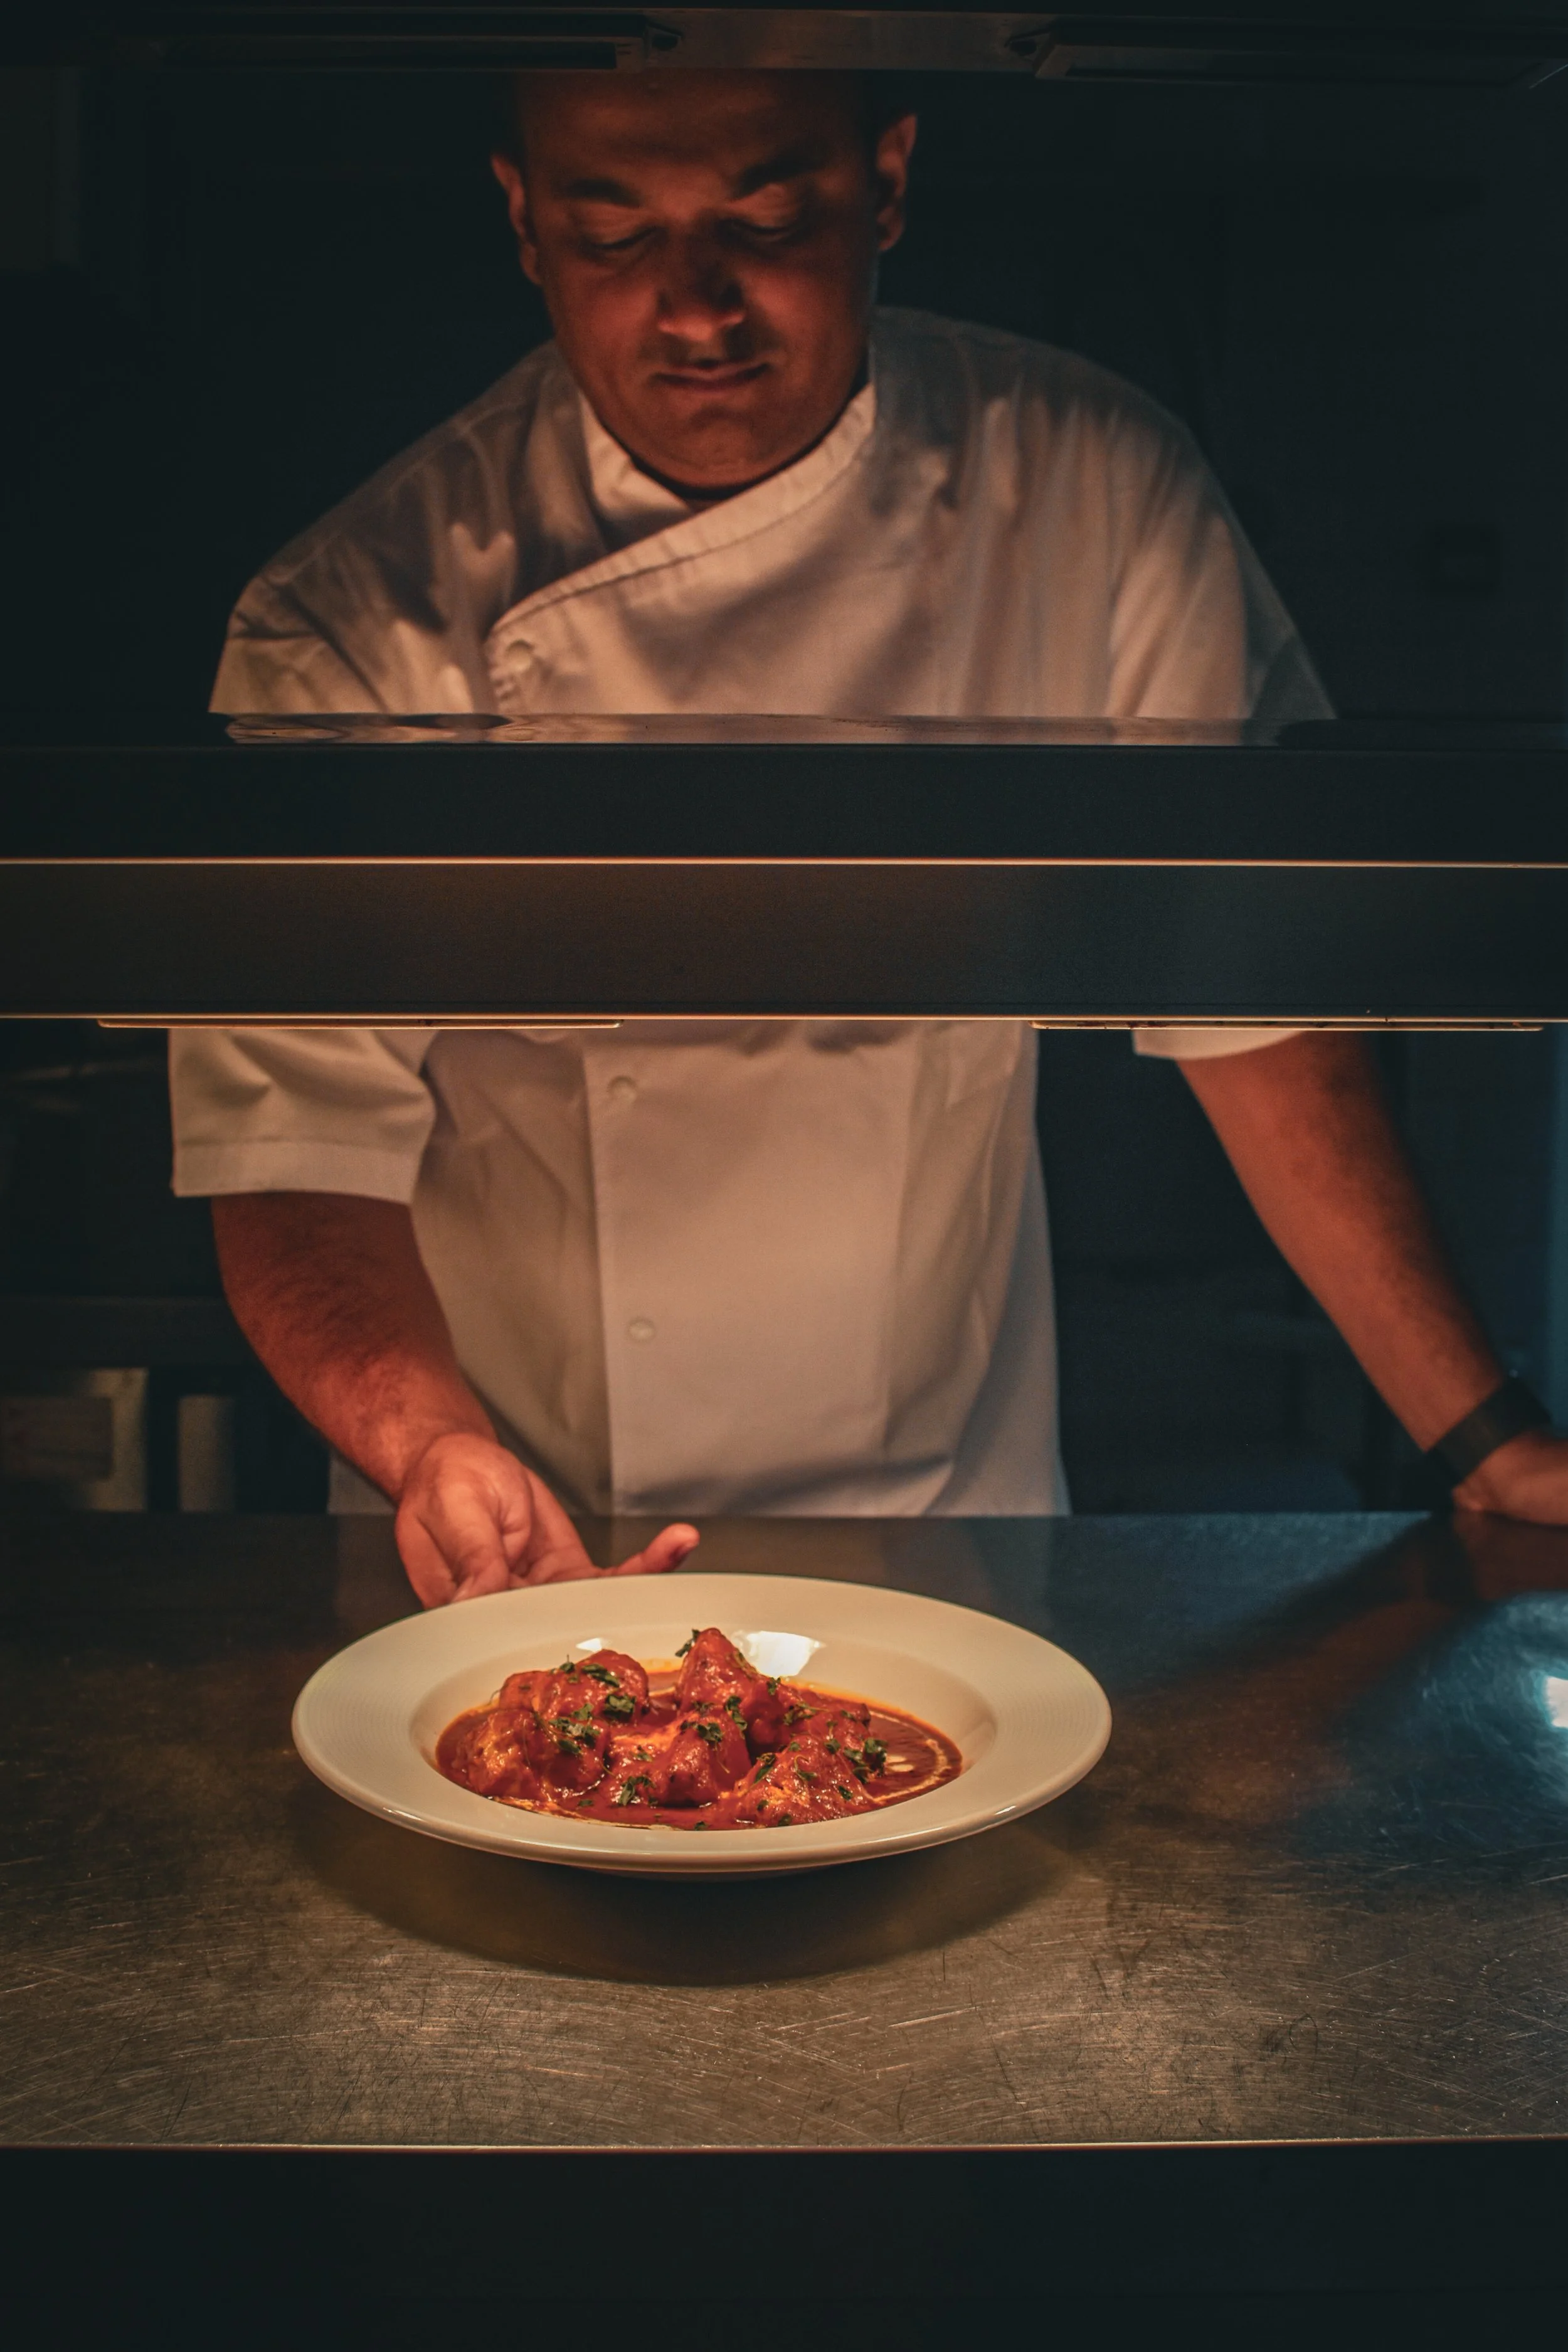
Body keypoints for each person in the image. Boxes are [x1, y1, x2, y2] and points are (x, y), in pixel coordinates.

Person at [170, 68, 1568, 1608]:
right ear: (521, 220)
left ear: (885, 182)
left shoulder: (1087, 492)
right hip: (526, 1537)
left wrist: (1485, 1439)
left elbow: (1261, 1016)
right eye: (613, 236)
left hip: (942, 1533)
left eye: (765, 221)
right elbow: (295, 1148)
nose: (694, 306)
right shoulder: (356, 611)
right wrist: (429, 1447)